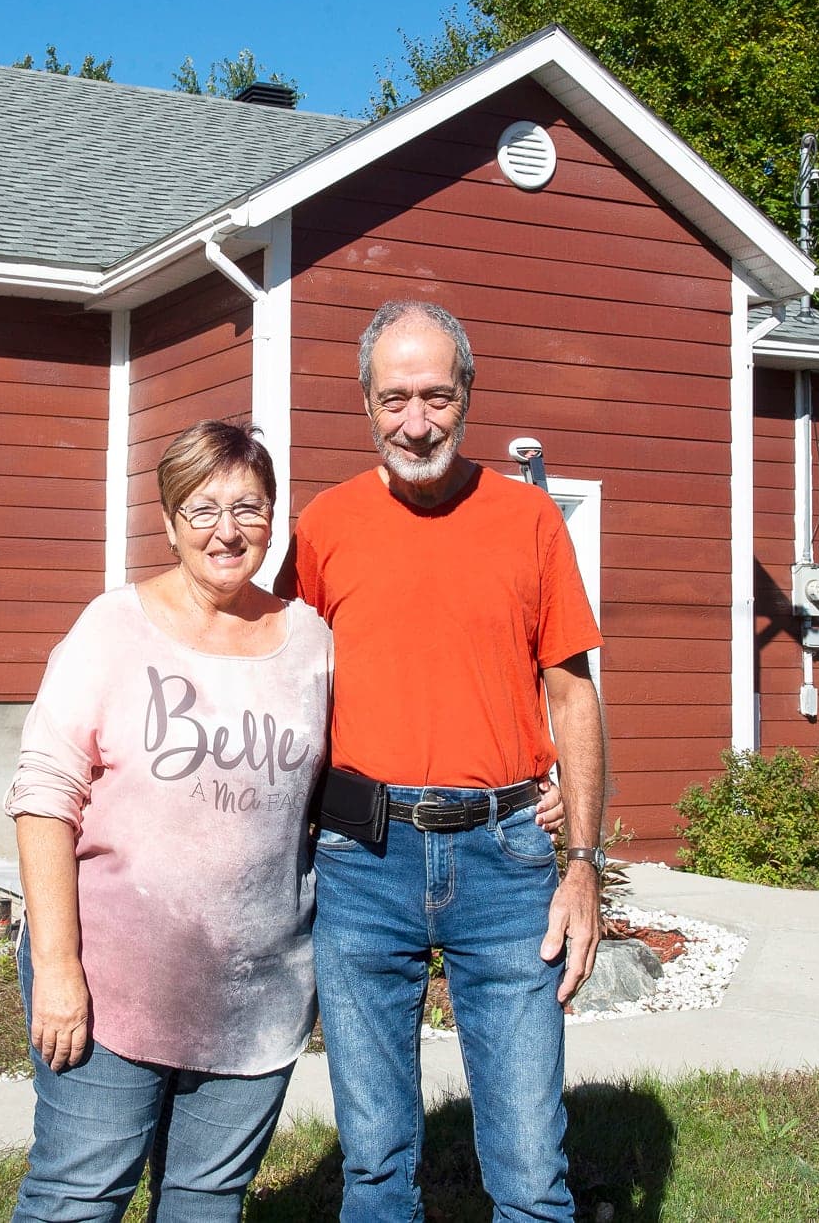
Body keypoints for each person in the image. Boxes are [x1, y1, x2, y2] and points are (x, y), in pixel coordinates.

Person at [282, 299, 608, 1222]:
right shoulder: (323, 526)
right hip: (361, 859)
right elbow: (278, 684)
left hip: (506, 858)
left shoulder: (530, 519)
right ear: (365, 403)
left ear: (468, 393)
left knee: (532, 1173)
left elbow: (573, 695)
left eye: (436, 396)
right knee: (375, 1171)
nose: (416, 422)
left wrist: (583, 861)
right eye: (394, 399)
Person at [3, 419, 334, 1222]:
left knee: (208, 1203)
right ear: (169, 520)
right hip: (111, 984)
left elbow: (367, 770)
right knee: (77, 1198)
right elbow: (45, 794)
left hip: (256, 992)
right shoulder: (113, 627)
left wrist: (541, 782)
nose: (227, 531)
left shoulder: (312, 644)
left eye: (248, 509)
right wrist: (57, 968)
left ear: (274, 518)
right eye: (203, 509)